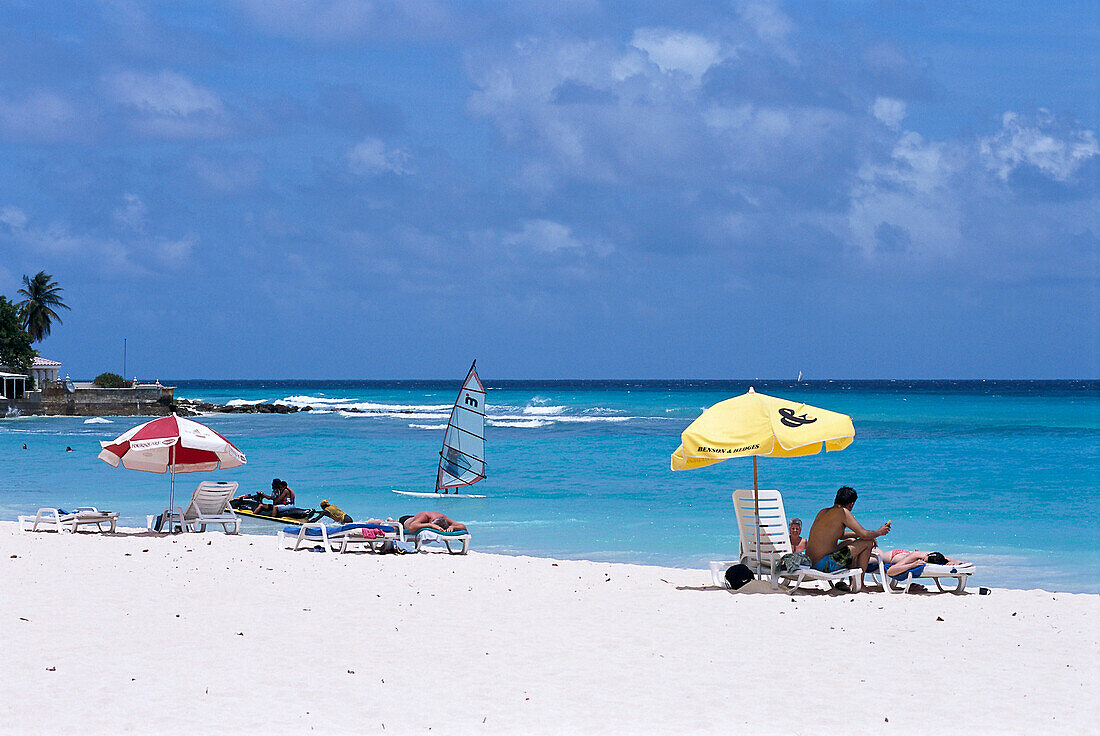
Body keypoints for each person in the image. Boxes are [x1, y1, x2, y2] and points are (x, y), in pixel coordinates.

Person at [806, 486, 890, 575]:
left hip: (810, 562)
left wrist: (857, 534)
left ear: (836, 499)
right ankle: (859, 584)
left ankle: (852, 582)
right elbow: (864, 535)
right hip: (823, 565)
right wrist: (880, 532)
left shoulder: (823, 511)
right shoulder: (843, 512)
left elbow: (839, 535)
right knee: (868, 542)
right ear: (851, 504)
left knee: (851, 541)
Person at [876, 548, 970, 578]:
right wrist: (912, 565)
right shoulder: (920, 555)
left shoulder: (934, 556)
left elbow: (951, 560)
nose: (923, 559)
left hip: (904, 554)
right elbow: (890, 571)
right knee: (875, 552)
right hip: (888, 556)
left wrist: (957, 563)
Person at [398, 511, 467, 534]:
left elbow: (463, 527)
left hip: (417, 519)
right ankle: (390, 520)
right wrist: (430, 525)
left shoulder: (443, 518)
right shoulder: (425, 515)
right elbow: (411, 528)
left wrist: (452, 526)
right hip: (405, 521)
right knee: (395, 522)